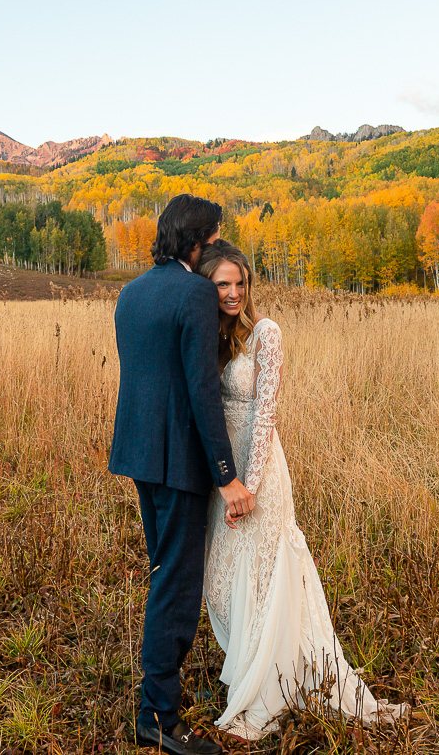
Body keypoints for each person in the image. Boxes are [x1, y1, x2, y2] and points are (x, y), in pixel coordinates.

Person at [195, 240, 407, 741]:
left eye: (239, 283)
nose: (231, 293)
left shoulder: (265, 333)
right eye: (221, 284)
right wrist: (221, 481)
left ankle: (267, 687)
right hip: (220, 475)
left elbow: (265, 413)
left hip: (257, 471)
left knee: (265, 575)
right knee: (224, 582)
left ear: (249, 286)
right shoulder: (210, 335)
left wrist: (248, 481)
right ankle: (247, 667)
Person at [109, 196, 256, 755]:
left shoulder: (131, 292)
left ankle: (157, 699)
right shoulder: (194, 292)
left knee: (162, 572)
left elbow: (147, 375)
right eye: (213, 237)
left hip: (138, 455)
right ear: (197, 241)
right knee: (176, 583)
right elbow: (199, 389)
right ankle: (158, 718)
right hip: (178, 461)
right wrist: (227, 475)